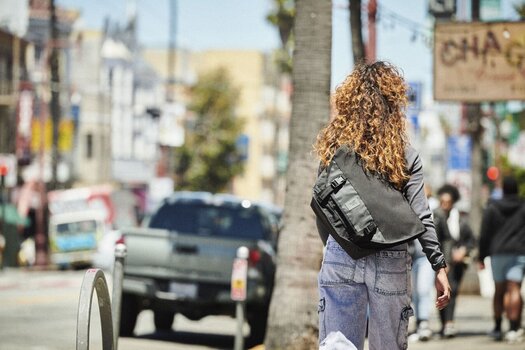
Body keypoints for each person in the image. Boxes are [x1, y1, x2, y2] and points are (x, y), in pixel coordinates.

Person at [313, 61, 451, 350]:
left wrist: (337, 246)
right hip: (391, 255)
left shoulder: (335, 149)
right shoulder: (405, 155)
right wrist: (438, 265)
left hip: (342, 253)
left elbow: (322, 204)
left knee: (337, 345)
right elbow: (421, 216)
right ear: (393, 103)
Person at [478, 175, 525, 343]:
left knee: (499, 291)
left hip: (497, 253)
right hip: (519, 252)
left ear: (503, 189)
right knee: (514, 289)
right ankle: (513, 328)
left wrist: (481, 256)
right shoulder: (523, 206)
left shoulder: (492, 207)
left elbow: (485, 233)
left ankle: (498, 328)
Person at [433, 183, 476, 338]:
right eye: (442, 202)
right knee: (441, 292)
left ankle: (449, 323)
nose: (444, 206)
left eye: (447, 203)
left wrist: (463, 250)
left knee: (452, 291)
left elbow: (471, 240)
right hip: (441, 262)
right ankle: (444, 324)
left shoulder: (461, 220)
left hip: (457, 264)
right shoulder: (436, 217)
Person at [408, 184, 440, 342]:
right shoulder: (409, 204)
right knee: (413, 292)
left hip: (426, 256)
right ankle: (418, 323)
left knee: (423, 289)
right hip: (410, 255)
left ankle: (424, 323)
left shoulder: (434, 208)